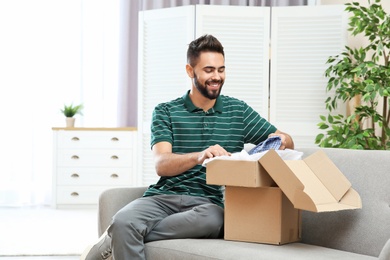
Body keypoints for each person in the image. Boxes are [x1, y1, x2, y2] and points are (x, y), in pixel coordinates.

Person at [81, 34, 294, 260]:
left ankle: (115, 236)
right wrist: (199, 156)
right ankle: (121, 230)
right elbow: (162, 165)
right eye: (209, 70)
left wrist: (283, 141)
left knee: (216, 220)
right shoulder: (165, 111)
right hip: (162, 198)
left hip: (209, 204)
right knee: (124, 220)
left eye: (221, 70)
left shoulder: (237, 111)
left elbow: (285, 139)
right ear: (190, 71)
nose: (217, 77)